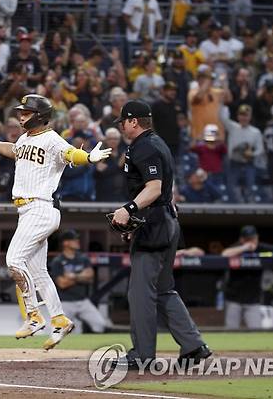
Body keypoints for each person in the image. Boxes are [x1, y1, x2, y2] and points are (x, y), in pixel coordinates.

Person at [0, 94, 112, 350]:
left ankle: (33, 315)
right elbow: (12, 150)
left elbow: (70, 153)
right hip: (27, 212)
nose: (21, 115)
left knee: (13, 261)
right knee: (39, 273)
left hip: (40, 207)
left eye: (26, 112)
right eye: (21, 111)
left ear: (39, 115)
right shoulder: (25, 139)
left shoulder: (51, 138)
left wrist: (88, 158)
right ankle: (59, 319)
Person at [110, 99, 210, 368]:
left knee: (140, 293)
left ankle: (142, 356)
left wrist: (129, 209)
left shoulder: (145, 147)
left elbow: (154, 188)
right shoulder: (157, 142)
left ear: (134, 121)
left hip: (155, 224)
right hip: (164, 220)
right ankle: (193, 346)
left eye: (123, 122)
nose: (121, 127)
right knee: (164, 289)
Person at [221, 225, 273, 329]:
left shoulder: (261, 247)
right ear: (242, 239)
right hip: (234, 300)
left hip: (253, 301)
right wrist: (244, 247)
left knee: (257, 331)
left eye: (253, 238)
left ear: (257, 237)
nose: (251, 241)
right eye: (248, 239)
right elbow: (224, 254)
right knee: (230, 331)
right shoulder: (237, 247)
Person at [49, 230, 106, 334]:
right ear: (65, 243)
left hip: (83, 301)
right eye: (74, 240)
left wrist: (73, 276)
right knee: (59, 331)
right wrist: (81, 276)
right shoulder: (58, 261)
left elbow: (90, 277)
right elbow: (62, 284)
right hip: (65, 302)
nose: (77, 241)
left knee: (100, 324)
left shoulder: (82, 258)